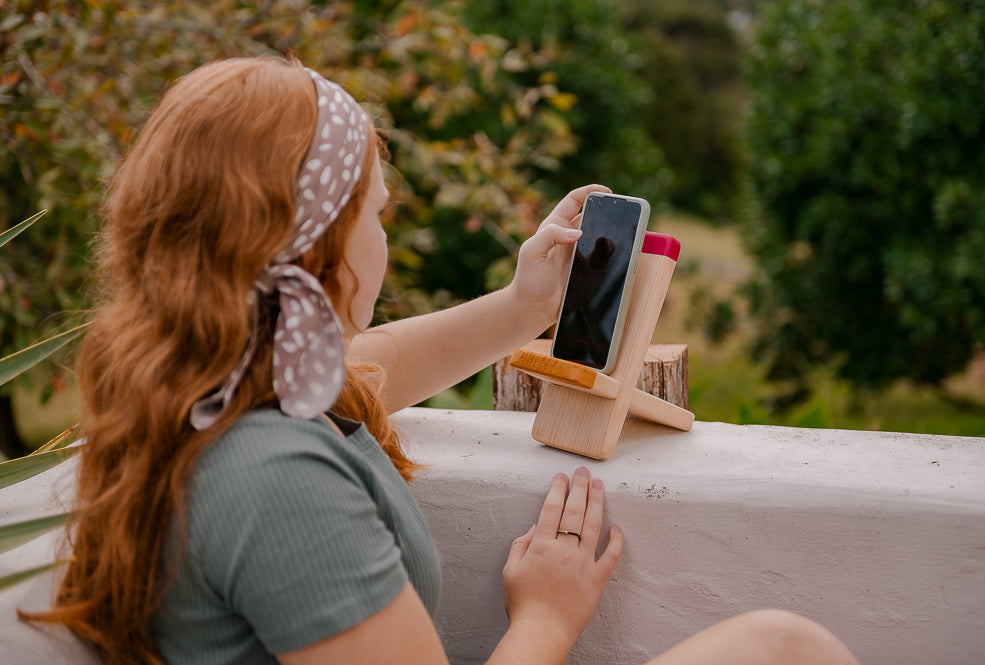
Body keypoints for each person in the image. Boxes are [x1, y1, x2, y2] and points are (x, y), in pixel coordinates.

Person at [24, 56, 860, 665]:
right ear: (312, 241)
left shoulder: (202, 383)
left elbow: (369, 364)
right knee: (786, 646)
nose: (383, 240)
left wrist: (523, 306)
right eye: (376, 214)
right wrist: (546, 615)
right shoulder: (274, 479)